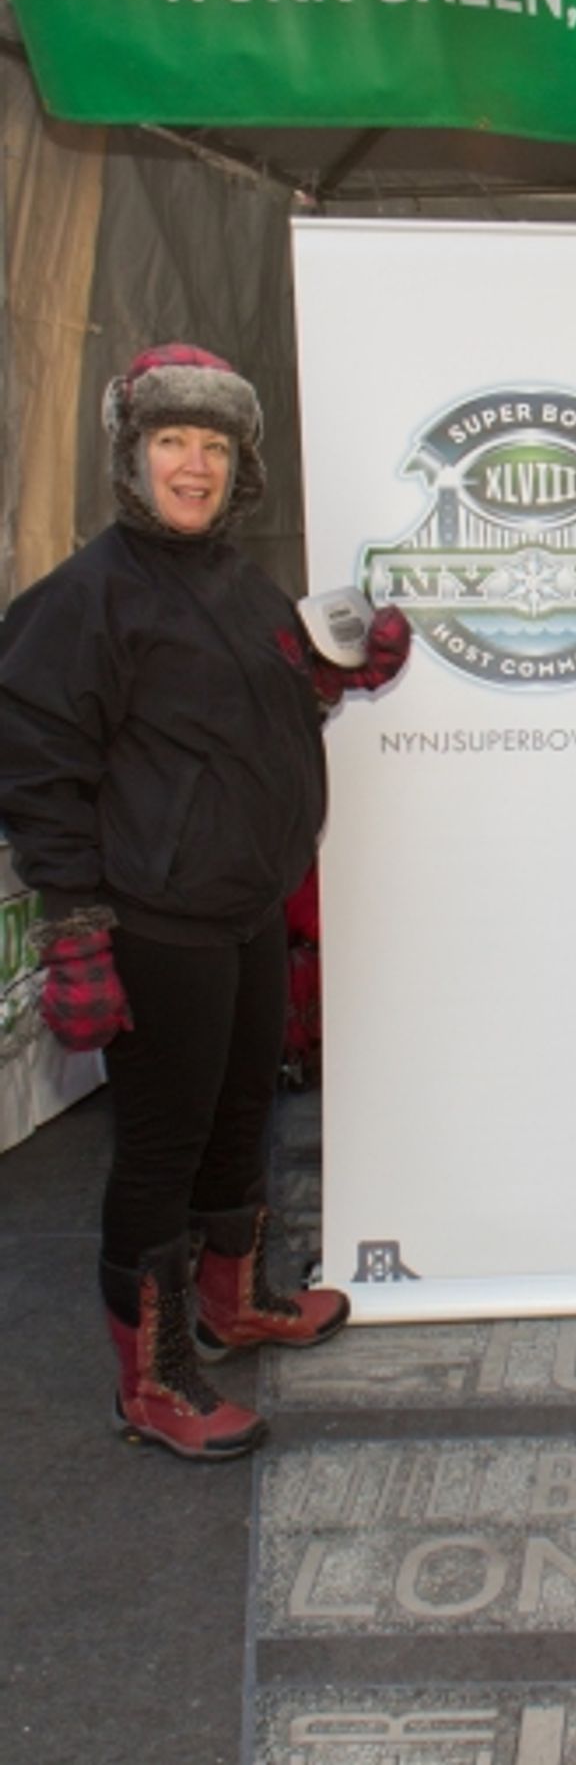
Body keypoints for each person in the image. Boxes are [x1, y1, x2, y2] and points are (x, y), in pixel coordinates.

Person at [0, 344, 410, 1460]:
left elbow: (253, 716)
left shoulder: (240, 581)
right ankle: (153, 1385)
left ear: (242, 466)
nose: (194, 466)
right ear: (131, 460)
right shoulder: (84, 599)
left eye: (215, 446)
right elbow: (38, 773)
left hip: (245, 908)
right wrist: (75, 926)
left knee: (246, 1119)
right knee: (160, 1156)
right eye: (171, 443)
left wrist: (336, 677)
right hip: (154, 924)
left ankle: (234, 1307)